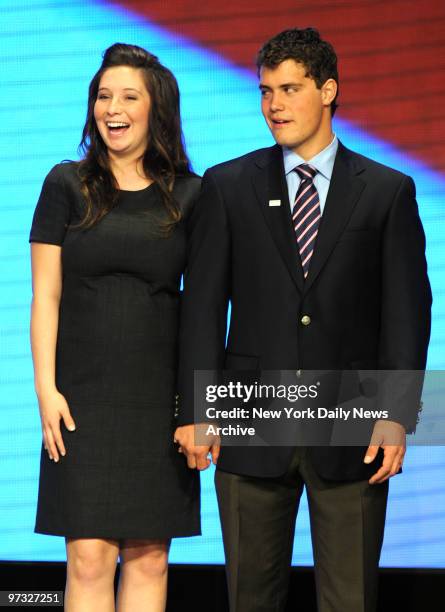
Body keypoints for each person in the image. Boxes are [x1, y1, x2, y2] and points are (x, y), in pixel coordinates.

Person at [174, 28, 432, 612]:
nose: (274, 105)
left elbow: (408, 310)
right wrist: (196, 411)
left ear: (329, 90)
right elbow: (203, 305)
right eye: (266, 91)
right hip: (250, 418)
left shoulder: (388, 192)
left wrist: (396, 414)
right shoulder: (228, 185)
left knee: (349, 600)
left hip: (352, 422)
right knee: (250, 599)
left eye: (290, 89)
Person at [29, 43, 200, 612]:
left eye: (129, 96)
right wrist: (46, 389)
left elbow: (203, 309)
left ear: (158, 110)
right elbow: (45, 295)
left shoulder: (191, 195)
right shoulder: (64, 185)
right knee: (88, 557)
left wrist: (199, 409)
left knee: (150, 556)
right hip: (82, 399)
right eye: (104, 96)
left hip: (159, 402)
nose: (113, 107)